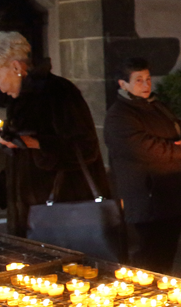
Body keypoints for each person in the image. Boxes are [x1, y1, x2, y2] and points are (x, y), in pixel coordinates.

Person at [0, 32, 110, 236]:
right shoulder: (19, 100)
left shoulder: (58, 92)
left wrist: (35, 143)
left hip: (62, 216)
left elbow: (85, 148)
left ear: (16, 67)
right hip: (32, 218)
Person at [104, 58, 181, 274]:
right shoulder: (119, 115)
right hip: (146, 198)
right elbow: (141, 148)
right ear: (123, 84)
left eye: (148, 79)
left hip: (171, 194)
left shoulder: (157, 106)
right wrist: (180, 151)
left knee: (166, 252)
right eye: (138, 80)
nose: (146, 85)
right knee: (148, 256)